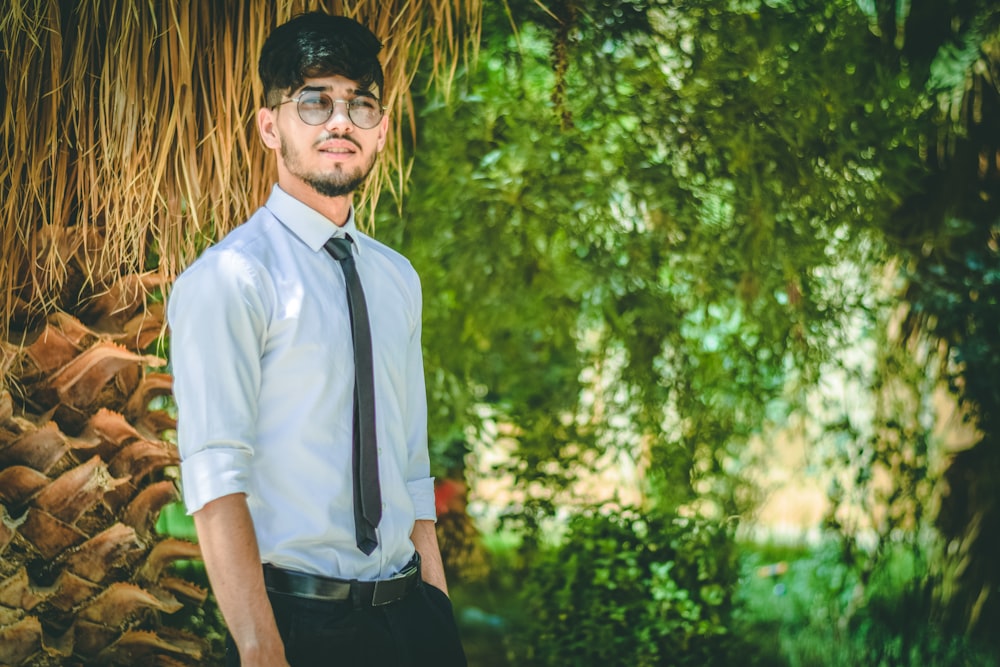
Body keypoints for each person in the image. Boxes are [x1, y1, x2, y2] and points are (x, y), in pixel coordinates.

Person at [167, 12, 466, 667]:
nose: (340, 121)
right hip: (300, 626)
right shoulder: (230, 277)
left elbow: (412, 468)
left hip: (414, 620)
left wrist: (436, 610)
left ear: (382, 129)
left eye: (361, 104)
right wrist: (260, 644)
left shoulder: (397, 278)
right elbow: (217, 480)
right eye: (314, 101)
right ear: (269, 125)